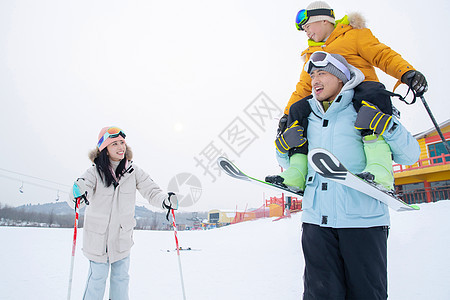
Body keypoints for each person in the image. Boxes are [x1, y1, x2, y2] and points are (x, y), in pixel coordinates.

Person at [271, 53, 420, 299]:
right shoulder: (304, 112)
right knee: (320, 295)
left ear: (341, 77)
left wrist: (387, 125)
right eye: (312, 75)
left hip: (363, 222)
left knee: (366, 294)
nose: (314, 80)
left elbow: (410, 155)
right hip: (317, 223)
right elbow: (290, 163)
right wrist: (282, 147)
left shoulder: (366, 103)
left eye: (322, 73)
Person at [270, 1, 427, 191]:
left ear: (323, 20)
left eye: (307, 26)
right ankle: (297, 172)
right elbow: (303, 87)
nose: (306, 31)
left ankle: (380, 168)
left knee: (372, 94)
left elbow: (382, 55)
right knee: (298, 109)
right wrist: (287, 114)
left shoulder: (353, 35)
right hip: (332, 101)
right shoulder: (313, 54)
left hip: (362, 92)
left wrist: (406, 73)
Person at [68, 126, 178, 300]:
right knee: (97, 279)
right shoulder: (94, 172)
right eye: (114, 144)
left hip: (122, 239)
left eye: (122, 143)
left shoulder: (134, 171)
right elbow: (79, 196)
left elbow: (152, 192)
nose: (121, 147)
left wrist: (165, 200)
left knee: (121, 279)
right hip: (98, 240)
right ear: (104, 149)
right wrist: (77, 194)